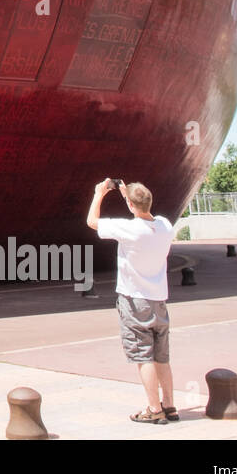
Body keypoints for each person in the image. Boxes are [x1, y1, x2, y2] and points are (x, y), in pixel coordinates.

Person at [86, 178, 178, 424]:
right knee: (162, 357)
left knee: (143, 357)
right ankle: (169, 404)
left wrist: (99, 194)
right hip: (159, 300)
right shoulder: (165, 226)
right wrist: (130, 196)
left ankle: (153, 408)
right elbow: (147, 212)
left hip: (135, 301)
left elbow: (92, 222)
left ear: (130, 204)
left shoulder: (129, 229)